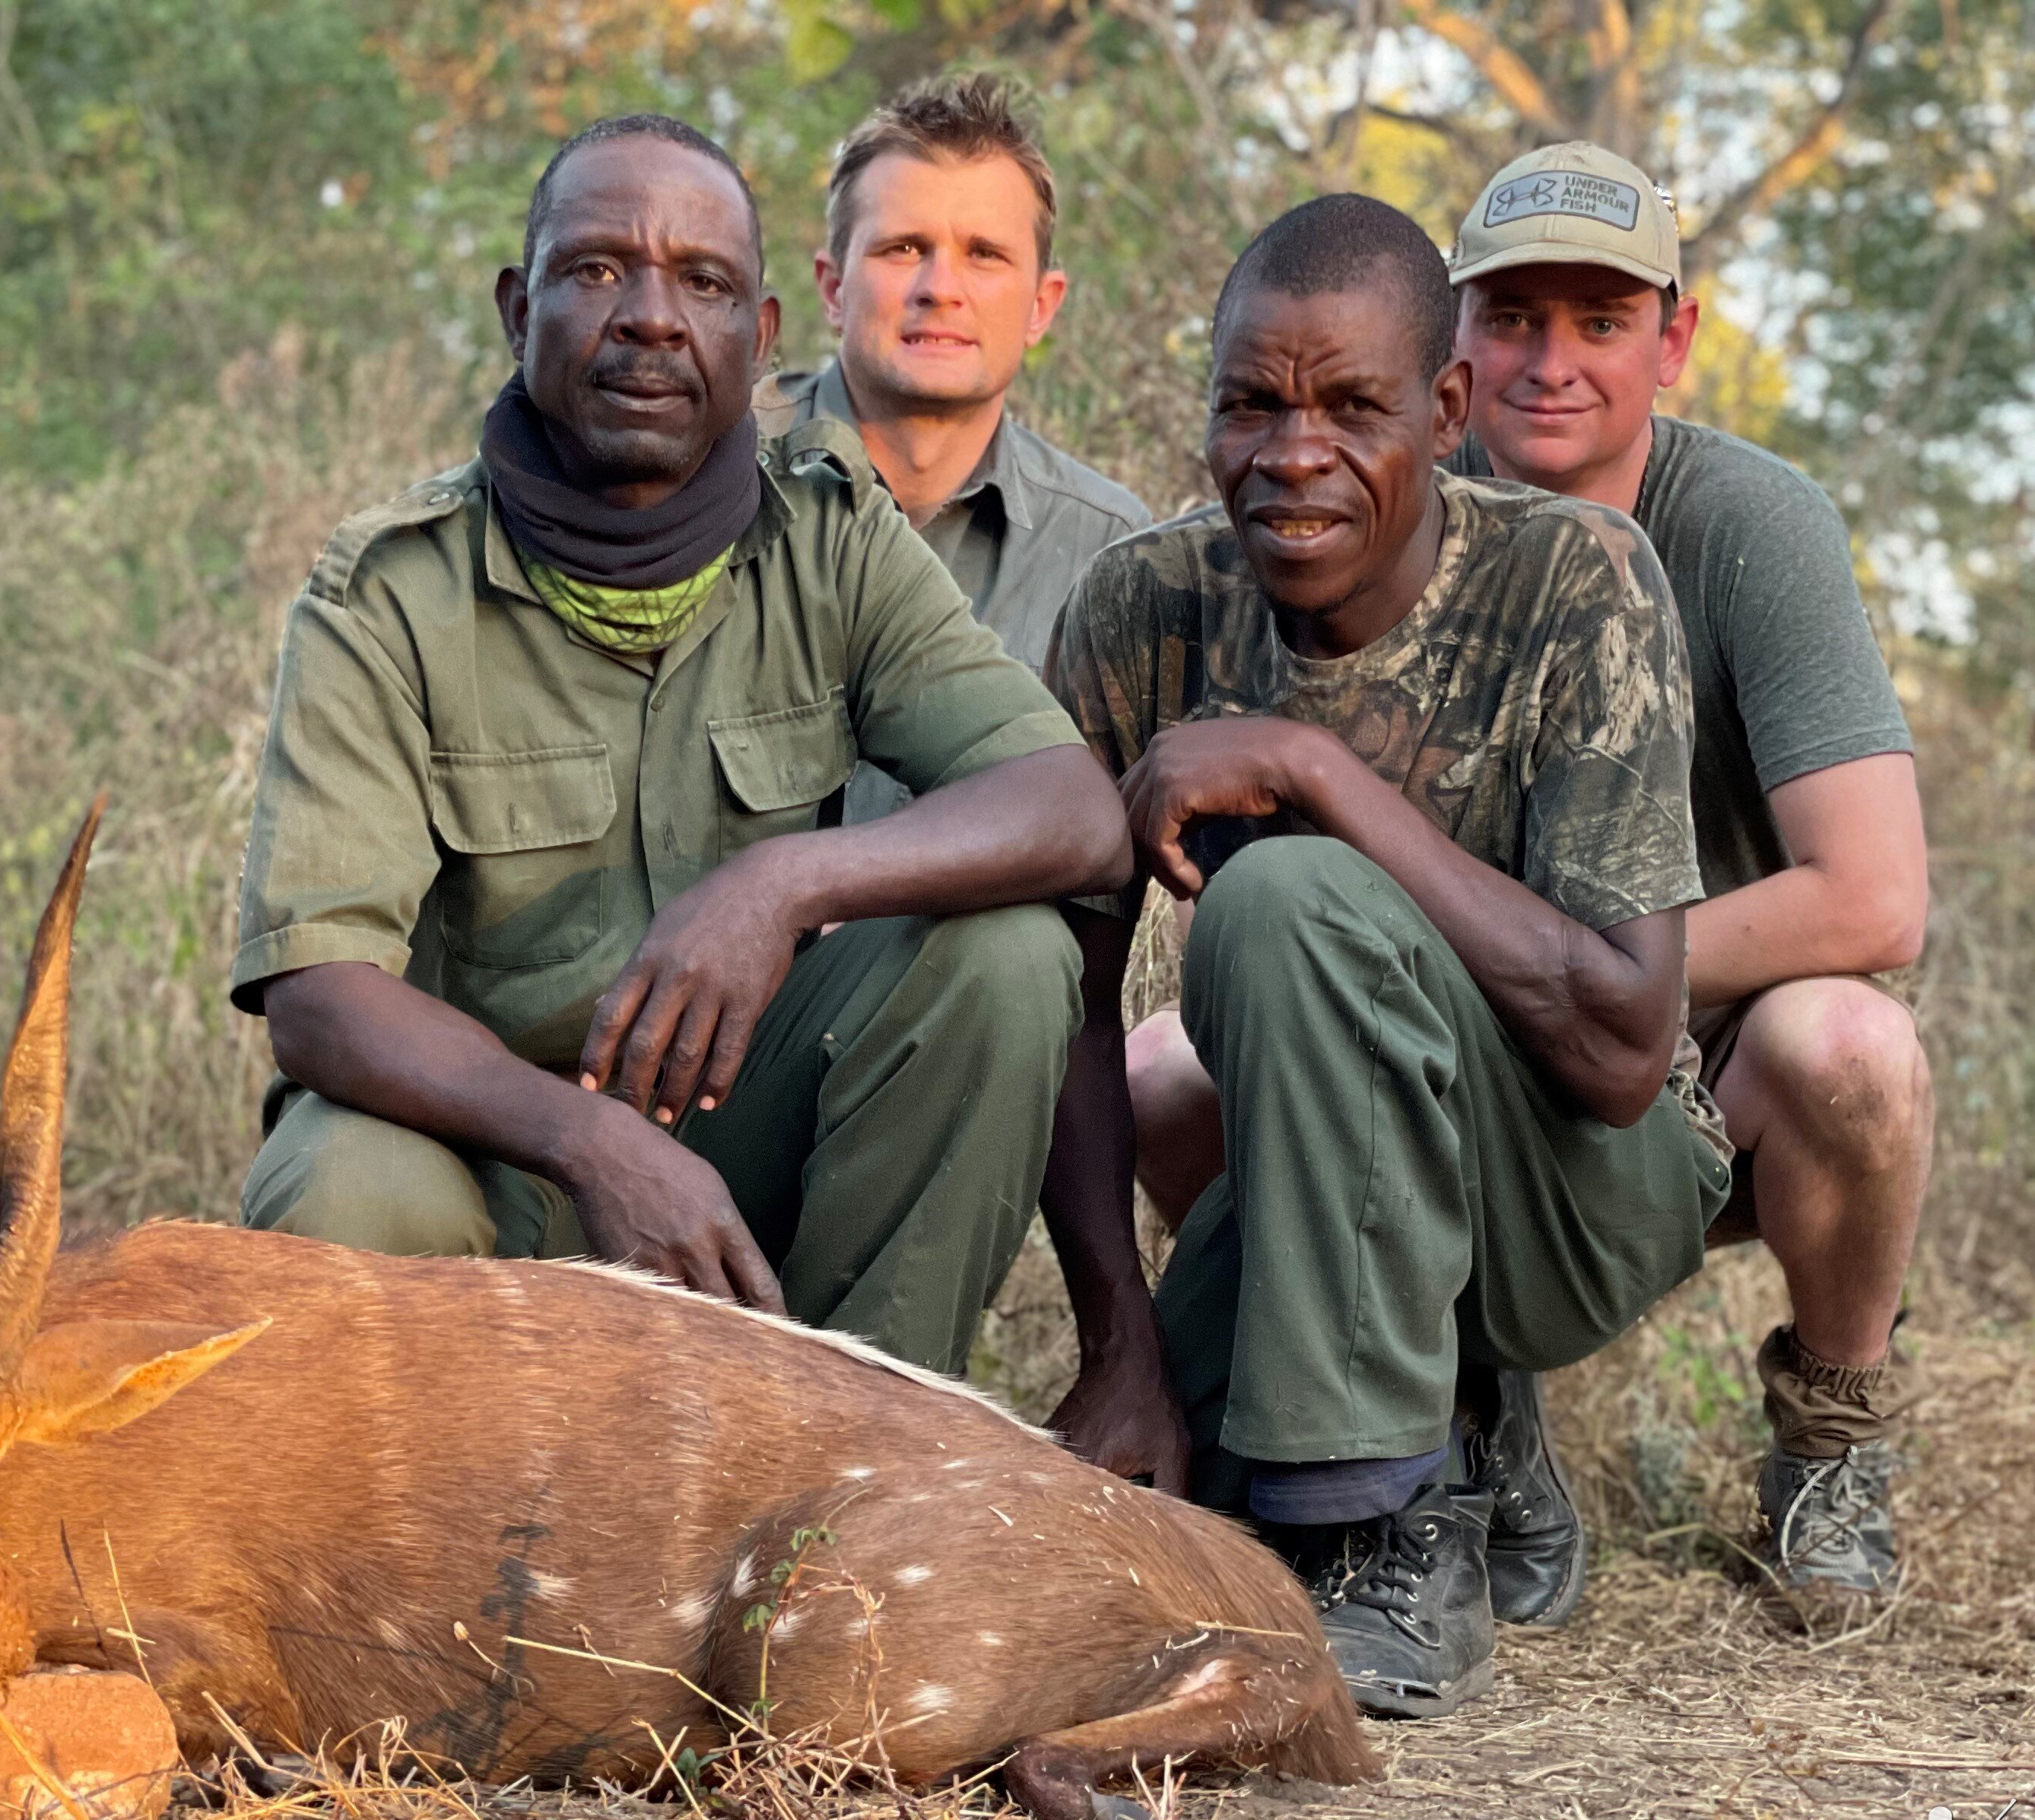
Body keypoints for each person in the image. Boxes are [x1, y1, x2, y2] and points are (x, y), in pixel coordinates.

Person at [1120, 142, 1931, 1618]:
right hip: (1448, 1032)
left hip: (1686, 1057)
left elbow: (1873, 899)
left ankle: (1833, 1435)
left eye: (1599, 320)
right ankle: (1442, 1403)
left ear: (1670, 338)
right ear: (1448, 356)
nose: (1549, 362)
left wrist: (1589, 969)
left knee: (1853, 1048)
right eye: (1510, 320)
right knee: (1169, 1069)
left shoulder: (1750, 527)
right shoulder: (1364, 511)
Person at [230, 114, 1131, 1377]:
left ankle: (855, 1493)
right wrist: (593, 1142)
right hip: (488, 1164)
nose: (651, 316)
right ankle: (419, 1553)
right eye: (597, 269)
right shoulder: (387, 587)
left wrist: (778, 885)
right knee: (340, 1181)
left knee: (1004, 956)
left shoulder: (833, 536)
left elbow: (1069, 810)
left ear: (756, 338)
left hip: (745, 1157)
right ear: (515, 306)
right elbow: (320, 1000)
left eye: (700, 283)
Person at [1037, 194, 1731, 1717]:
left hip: (1585, 1186)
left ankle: (1388, 1528)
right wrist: (1120, 1340)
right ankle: (1462, 1422)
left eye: (1353, 407)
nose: (1292, 454)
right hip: (1325, 1195)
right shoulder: (1142, 607)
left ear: (1445, 408)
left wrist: (1313, 769)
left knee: (1284, 895)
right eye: (1250, 404)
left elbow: (1623, 1046)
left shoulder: (1577, 583)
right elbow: (1062, 1005)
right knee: (1140, 1528)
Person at [760, 74, 1150, 822]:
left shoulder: (1106, 550)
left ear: (1042, 306)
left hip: (971, 938)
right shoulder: (716, 475)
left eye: (984, 255)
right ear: (833, 287)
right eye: (905, 248)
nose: (941, 287)